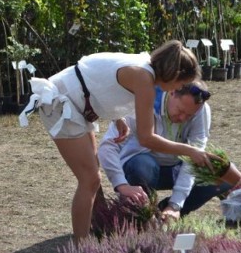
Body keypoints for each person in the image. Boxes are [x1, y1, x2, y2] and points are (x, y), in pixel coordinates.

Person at [19, 40, 213, 241]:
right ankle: (81, 249)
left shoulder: (144, 66)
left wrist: (117, 117)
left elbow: (100, 78)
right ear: (173, 74)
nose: (177, 89)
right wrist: (190, 151)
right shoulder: (144, 79)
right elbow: (147, 138)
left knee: (93, 179)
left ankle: (100, 230)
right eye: (180, 84)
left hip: (78, 101)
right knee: (89, 179)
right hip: (61, 102)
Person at [98, 81, 232, 220]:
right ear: (172, 92)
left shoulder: (201, 110)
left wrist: (175, 204)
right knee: (144, 165)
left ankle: (167, 214)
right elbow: (107, 147)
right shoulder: (141, 103)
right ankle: (138, 214)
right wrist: (121, 184)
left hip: (176, 168)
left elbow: (193, 160)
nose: (182, 118)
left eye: (189, 116)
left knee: (224, 173)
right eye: (180, 111)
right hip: (141, 167)